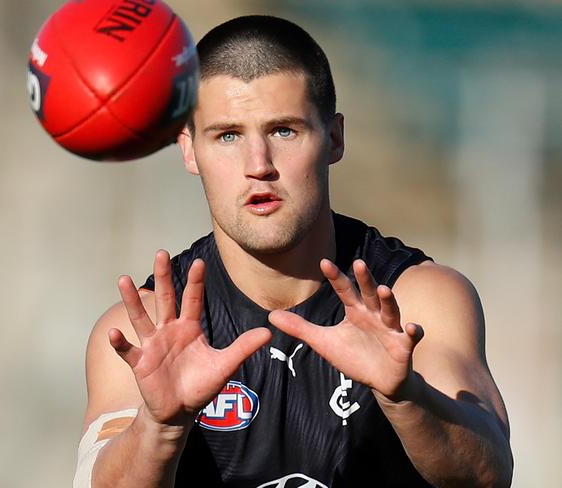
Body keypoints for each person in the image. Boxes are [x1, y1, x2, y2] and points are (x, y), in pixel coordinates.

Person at [74, 15, 513, 488]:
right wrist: (159, 427)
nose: (257, 165)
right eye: (227, 136)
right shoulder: (139, 331)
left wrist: (407, 398)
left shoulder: (416, 299)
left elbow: (489, 476)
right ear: (189, 151)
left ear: (334, 139)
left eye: (284, 131)